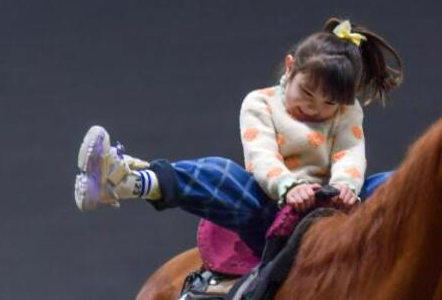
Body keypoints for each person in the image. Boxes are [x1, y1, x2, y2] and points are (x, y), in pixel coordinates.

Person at [73, 18, 402, 256]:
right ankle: (129, 182)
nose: (314, 108)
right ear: (290, 68)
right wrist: (288, 186)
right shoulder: (260, 103)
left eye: (329, 103)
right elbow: (262, 155)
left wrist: (347, 187)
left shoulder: (348, 112)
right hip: (272, 207)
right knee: (221, 173)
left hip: (335, 210)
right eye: (307, 93)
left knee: (396, 182)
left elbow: (351, 152)